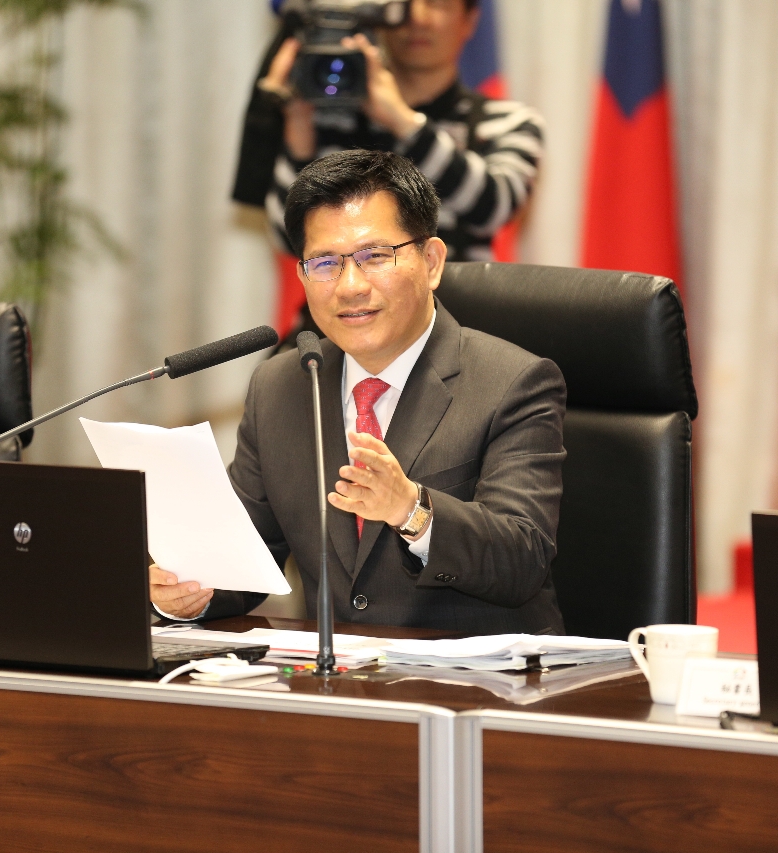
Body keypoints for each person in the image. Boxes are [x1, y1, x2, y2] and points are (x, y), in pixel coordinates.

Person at [155, 150, 565, 634]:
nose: (350, 286)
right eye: (325, 263)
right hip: (336, 671)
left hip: (477, 670)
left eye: (374, 256)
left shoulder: (513, 382)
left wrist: (410, 508)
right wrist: (185, 592)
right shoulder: (282, 385)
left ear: (431, 262)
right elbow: (247, 556)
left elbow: (522, 559)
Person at [233, 0, 544, 272]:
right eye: (403, 5)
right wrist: (298, 124)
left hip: (455, 312)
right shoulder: (332, 119)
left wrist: (403, 120)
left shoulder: (507, 121)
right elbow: (288, 238)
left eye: (437, 3)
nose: (418, 19)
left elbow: (493, 207)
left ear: (470, 20)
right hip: (346, 309)